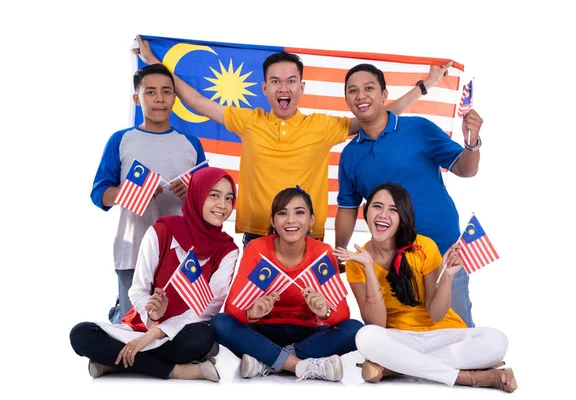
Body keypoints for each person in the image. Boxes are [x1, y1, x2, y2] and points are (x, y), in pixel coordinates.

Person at [133, 35, 450, 248]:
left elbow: (377, 113)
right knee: (260, 319)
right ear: (266, 88)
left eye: (290, 81)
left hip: (308, 237)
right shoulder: (249, 120)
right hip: (258, 235)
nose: (283, 87)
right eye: (275, 81)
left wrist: (425, 86)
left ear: (301, 87)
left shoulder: (321, 126)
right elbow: (198, 102)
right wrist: (154, 64)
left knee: (307, 320)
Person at [335, 63, 483, 327]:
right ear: (346, 99)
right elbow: (347, 208)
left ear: (383, 94)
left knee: (460, 336)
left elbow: (465, 169)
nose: (361, 96)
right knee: (404, 340)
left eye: (369, 88)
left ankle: (480, 370)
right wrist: (340, 250)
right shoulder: (349, 156)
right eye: (353, 91)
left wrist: (471, 142)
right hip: (394, 264)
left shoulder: (419, 129)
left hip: (442, 250)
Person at [332, 183, 517, 392]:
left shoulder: (425, 247)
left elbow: (436, 314)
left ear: (403, 216)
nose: (383, 214)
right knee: (364, 337)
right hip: (400, 339)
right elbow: (377, 322)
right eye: (377, 206)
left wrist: (446, 277)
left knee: (497, 341)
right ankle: (468, 377)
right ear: (365, 211)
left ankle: (397, 368)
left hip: (442, 335)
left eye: (393, 209)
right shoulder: (357, 261)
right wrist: (368, 268)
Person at [71, 167, 239, 382]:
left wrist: (155, 334)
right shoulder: (162, 231)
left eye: (228, 198)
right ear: (197, 194)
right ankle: (176, 371)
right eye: (213, 195)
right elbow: (139, 289)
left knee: (202, 338)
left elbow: (208, 308)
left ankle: (114, 364)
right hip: (141, 326)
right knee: (81, 334)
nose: (222, 205)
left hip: (181, 332)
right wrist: (153, 316)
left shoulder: (228, 250)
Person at [91, 63, 207, 324]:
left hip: (180, 251)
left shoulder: (191, 144)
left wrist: (192, 194)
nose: (159, 99)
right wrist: (129, 193)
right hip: (133, 248)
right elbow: (99, 194)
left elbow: (211, 198)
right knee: (132, 324)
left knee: (177, 324)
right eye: (150, 92)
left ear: (175, 98)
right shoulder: (121, 140)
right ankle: (118, 321)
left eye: (166, 92)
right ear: (137, 98)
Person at [210, 186, 363, 382]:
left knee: (354, 329)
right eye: (283, 213)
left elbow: (342, 315)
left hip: (308, 335)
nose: (291, 220)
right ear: (273, 221)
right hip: (263, 332)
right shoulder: (258, 249)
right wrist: (252, 313)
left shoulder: (322, 253)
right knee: (220, 323)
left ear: (311, 220)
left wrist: (324, 311)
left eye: (299, 212)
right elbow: (232, 309)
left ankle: (267, 361)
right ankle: (299, 365)